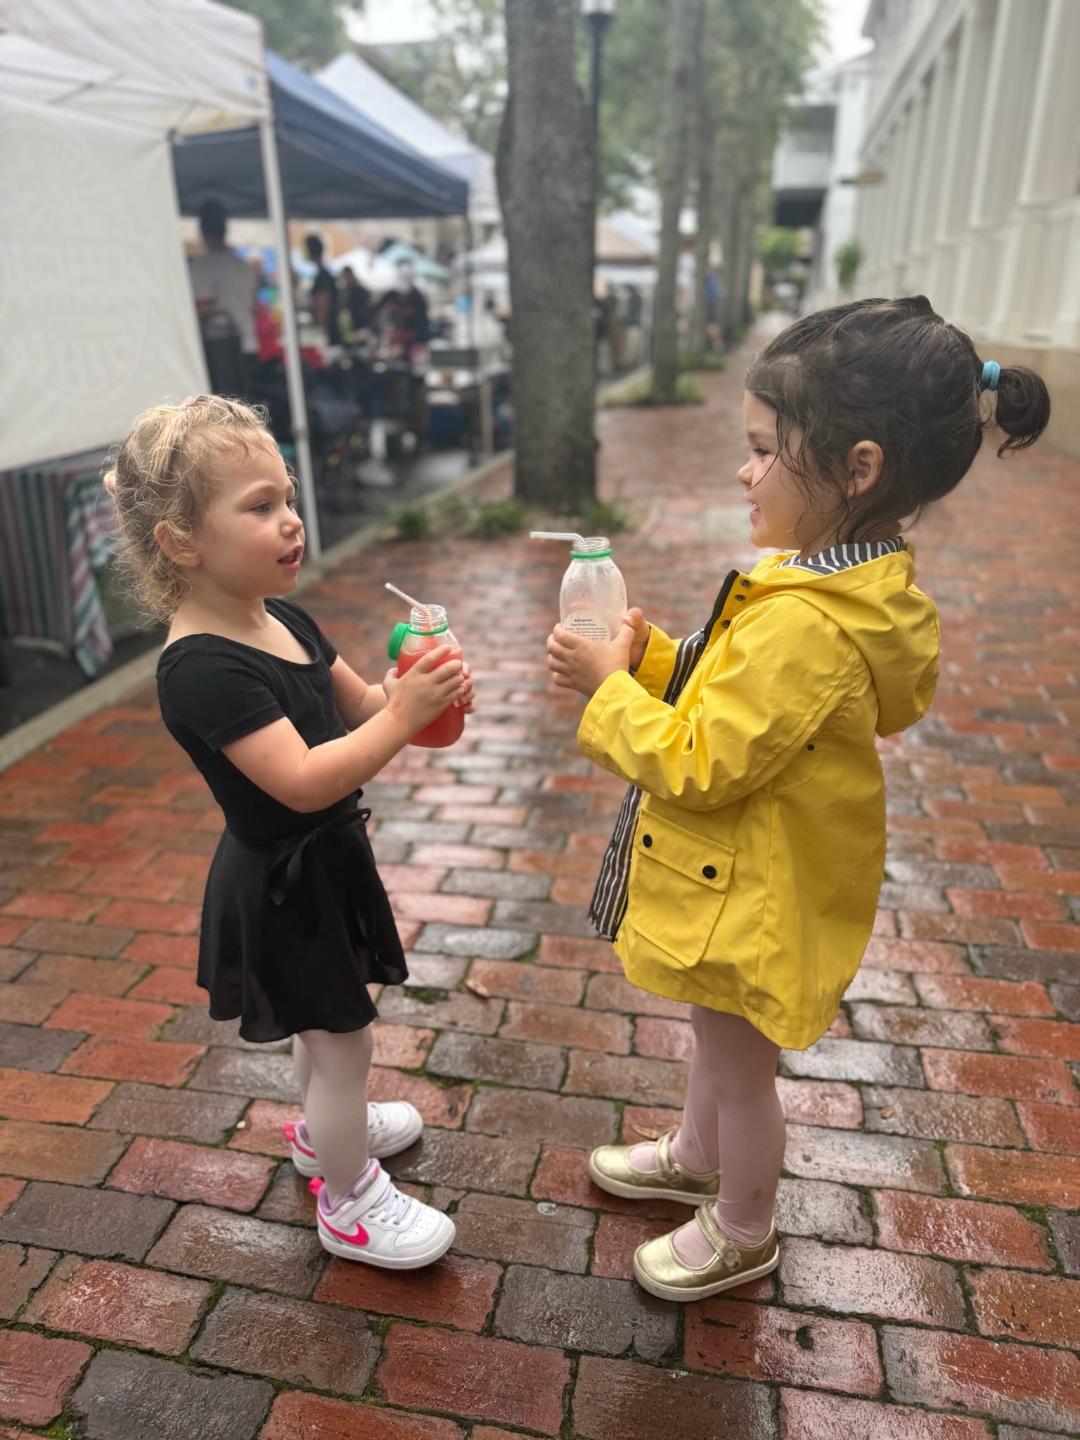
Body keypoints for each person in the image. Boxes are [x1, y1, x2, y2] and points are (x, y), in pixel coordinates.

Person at [546, 296, 1051, 1303]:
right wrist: (653, 659)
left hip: (756, 895)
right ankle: (697, 1154)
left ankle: (742, 1226)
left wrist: (609, 691)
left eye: (762, 451)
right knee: (715, 1036)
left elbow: (702, 760)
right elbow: (740, 706)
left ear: (857, 468)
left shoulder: (807, 624)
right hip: (746, 877)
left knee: (742, 1072)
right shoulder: (825, 589)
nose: (745, 473)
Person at [104, 395, 475, 1269]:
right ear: (181, 543)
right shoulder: (200, 668)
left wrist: (415, 694)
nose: (291, 521)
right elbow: (306, 780)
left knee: (325, 1026)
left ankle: (324, 1131)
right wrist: (402, 719)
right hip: (281, 884)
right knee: (344, 1039)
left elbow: (364, 708)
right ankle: (349, 1203)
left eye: (289, 498)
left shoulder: (285, 619)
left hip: (326, 864)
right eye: (260, 506)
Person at [188, 201, 258, 388]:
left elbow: (202, 306)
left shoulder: (202, 267)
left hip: (220, 350)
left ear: (202, 231)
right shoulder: (243, 266)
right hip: (248, 343)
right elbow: (254, 306)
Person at [374, 259, 431, 361]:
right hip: (392, 341)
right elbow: (373, 310)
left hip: (412, 345)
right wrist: (375, 334)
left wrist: (407, 346)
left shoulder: (418, 299)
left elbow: (423, 327)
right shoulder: (391, 295)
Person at [304, 235, 341, 347]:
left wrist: (319, 331)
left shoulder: (322, 277)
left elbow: (323, 306)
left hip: (329, 332)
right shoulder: (325, 275)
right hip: (332, 329)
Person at [339, 265, 372, 338]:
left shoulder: (359, 289)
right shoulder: (346, 290)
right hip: (351, 323)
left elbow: (368, 303)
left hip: (361, 322)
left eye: (346, 275)